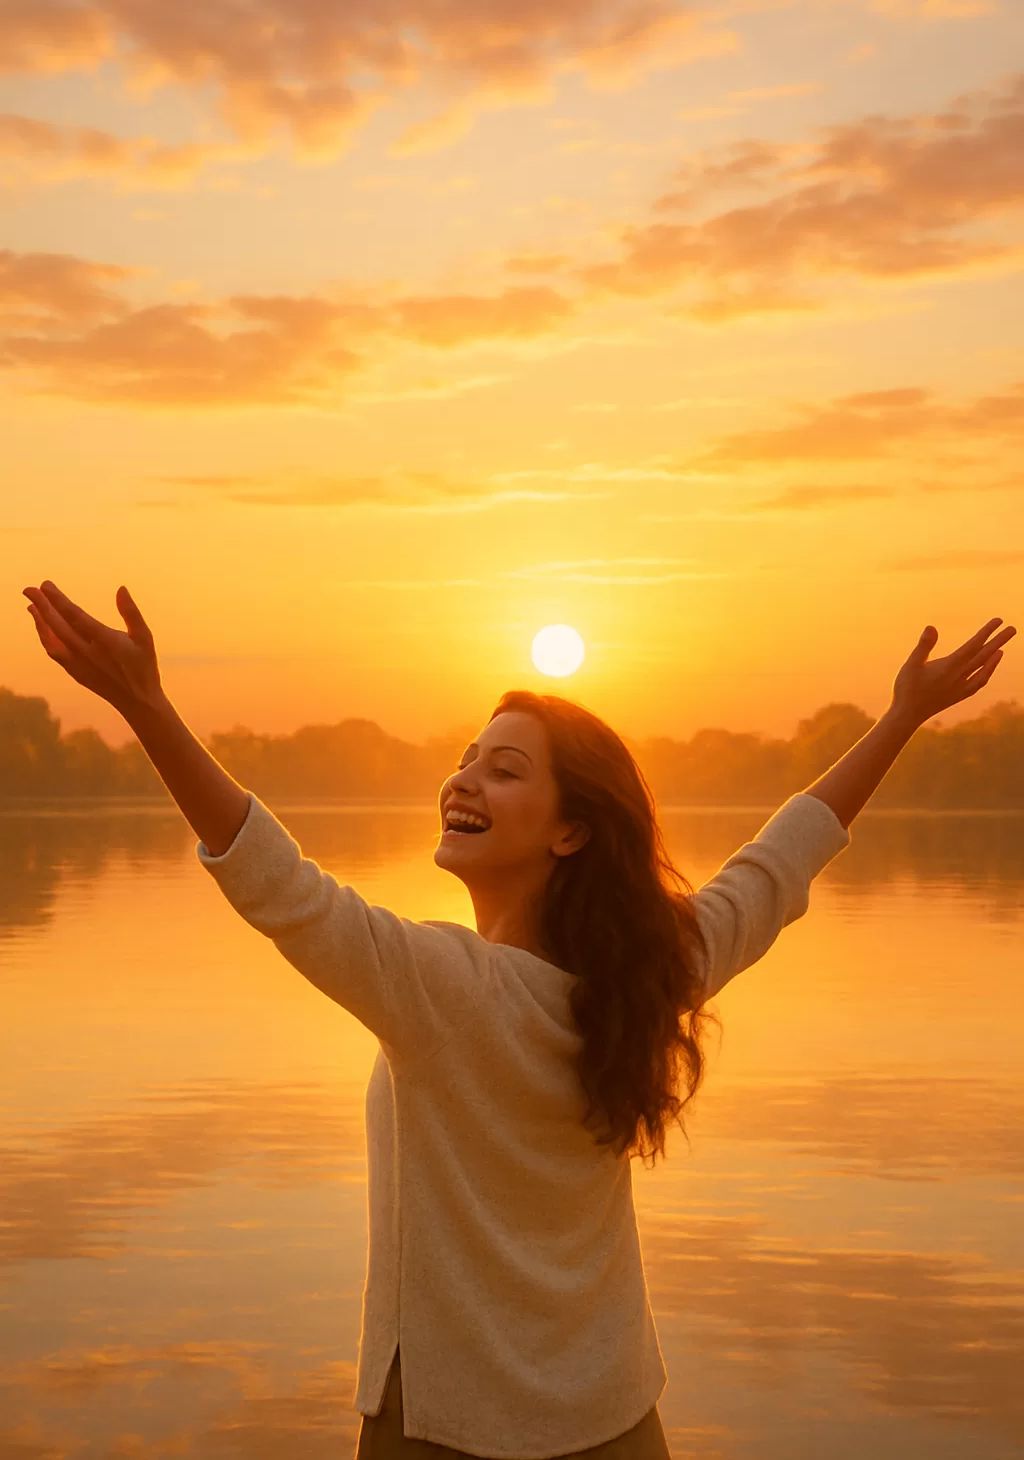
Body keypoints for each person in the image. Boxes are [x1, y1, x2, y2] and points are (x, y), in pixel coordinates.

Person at [22, 579, 1015, 1459]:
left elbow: (280, 884)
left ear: (571, 827)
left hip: (446, 1431)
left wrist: (145, 707)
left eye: (503, 769)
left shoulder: (443, 988)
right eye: (465, 760)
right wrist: (902, 719)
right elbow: (781, 861)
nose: (463, 779)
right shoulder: (650, 973)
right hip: (621, 1426)